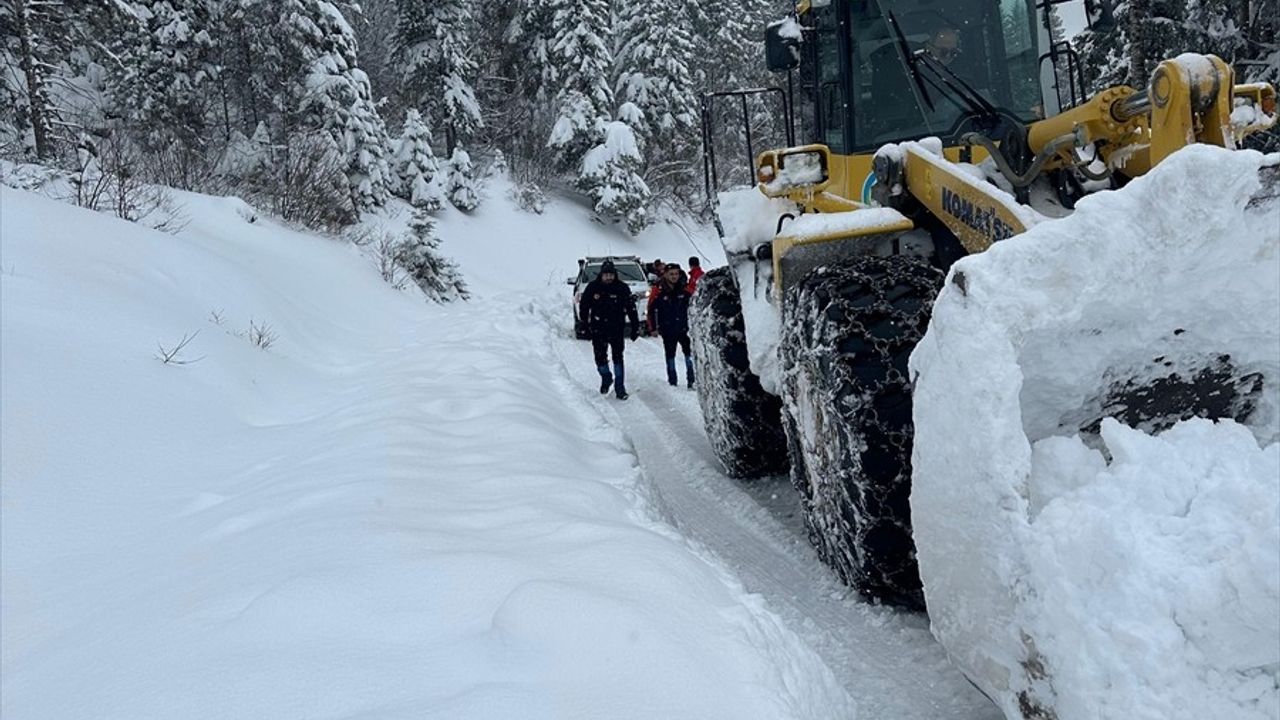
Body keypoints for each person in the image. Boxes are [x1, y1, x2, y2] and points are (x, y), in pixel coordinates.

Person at [579, 260, 640, 400]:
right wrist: (584, 323)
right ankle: (606, 377)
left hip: (616, 327)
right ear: (601, 275)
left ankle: (620, 388)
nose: (609, 278)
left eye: (611, 275)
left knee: (618, 357)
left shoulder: (622, 288)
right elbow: (584, 306)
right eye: (606, 275)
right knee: (600, 357)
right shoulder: (593, 287)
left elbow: (631, 308)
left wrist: (635, 326)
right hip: (598, 327)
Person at [650, 262, 695, 388]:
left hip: (683, 327)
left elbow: (693, 305)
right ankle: (672, 380)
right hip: (667, 328)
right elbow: (652, 310)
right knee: (670, 354)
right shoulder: (659, 290)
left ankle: (691, 379)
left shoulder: (684, 289)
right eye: (671, 274)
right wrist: (653, 327)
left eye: (676, 274)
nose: (674, 277)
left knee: (688, 353)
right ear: (665, 275)